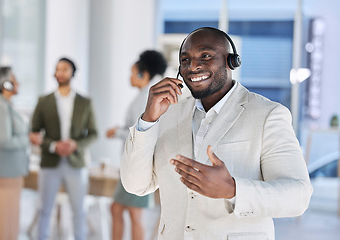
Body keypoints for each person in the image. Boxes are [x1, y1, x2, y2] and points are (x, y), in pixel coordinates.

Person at [121, 27, 313, 240]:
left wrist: (233, 189)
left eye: (205, 56)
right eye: (185, 59)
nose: (193, 66)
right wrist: (148, 121)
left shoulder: (268, 115)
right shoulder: (168, 113)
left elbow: (298, 196)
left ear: (231, 62)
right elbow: (135, 185)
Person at [30, 57, 98, 240]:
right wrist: (53, 145)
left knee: (79, 210)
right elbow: (34, 133)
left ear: (72, 73)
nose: (60, 72)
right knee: (44, 209)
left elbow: (93, 133)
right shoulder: (43, 101)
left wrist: (76, 144)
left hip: (76, 163)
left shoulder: (85, 102)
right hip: (50, 162)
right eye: (58, 69)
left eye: (65, 69)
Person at [106, 50, 167, 240]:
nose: (129, 77)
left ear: (143, 74)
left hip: (138, 164)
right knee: (121, 210)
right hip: (135, 163)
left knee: (132, 212)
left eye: (132, 72)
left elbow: (143, 132)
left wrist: (117, 132)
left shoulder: (146, 97)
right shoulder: (143, 95)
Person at [0, 66, 29, 240]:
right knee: (4, 222)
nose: (18, 83)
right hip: (4, 172)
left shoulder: (7, 105)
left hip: (12, 170)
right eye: (14, 79)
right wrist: (28, 140)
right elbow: (4, 140)